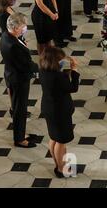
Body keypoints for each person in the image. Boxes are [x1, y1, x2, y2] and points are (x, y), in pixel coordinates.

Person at [39, 47, 80, 178]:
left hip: (49, 108)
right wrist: (74, 70)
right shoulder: (59, 76)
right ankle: (61, 169)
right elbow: (73, 88)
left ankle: (58, 165)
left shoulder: (43, 71)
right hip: (59, 112)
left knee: (54, 138)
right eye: (61, 59)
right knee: (61, 140)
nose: (63, 61)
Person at [0, 13, 39, 148]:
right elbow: (27, 65)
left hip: (11, 73)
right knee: (19, 109)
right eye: (23, 26)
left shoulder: (7, 35)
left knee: (19, 108)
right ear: (16, 28)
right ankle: (20, 139)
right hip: (18, 79)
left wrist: (22, 42)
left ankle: (22, 134)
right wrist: (43, 68)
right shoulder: (14, 46)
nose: (25, 28)